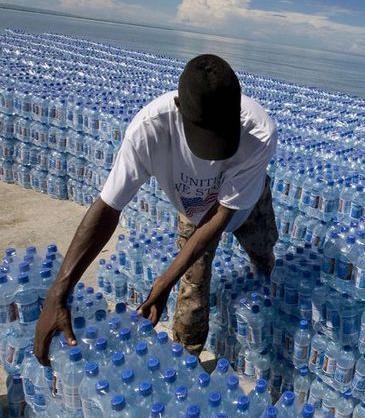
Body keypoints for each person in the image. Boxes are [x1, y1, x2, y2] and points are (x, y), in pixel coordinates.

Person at [33, 54, 278, 364]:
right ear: (179, 109)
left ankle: (267, 289)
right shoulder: (149, 129)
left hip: (247, 204)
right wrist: (60, 290)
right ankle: (187, 362)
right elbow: (108, 207)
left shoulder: (259, 132)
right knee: (193, 288)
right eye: (205, 134)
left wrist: (163, 281)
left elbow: (223, 214)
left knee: (263, 252)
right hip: (195, 211)